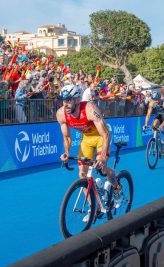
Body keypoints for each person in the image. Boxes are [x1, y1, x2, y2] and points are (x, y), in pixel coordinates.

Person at [56, 84, 121, 222]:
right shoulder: (61, 114)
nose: (65, 103)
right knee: (82, 175)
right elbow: (67, 137)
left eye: (69, 100)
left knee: (102, 169)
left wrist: (103, 156)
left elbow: (105, 135)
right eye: (64, 100)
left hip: (101, 137)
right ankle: (94, 208)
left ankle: (117, 188)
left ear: (78, 99)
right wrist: (67, 152)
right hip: (86, 139)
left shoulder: (90, 109)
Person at [142, 91, 164, 161]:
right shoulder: (152, 102)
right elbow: (148, 115)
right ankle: (157, 140)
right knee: (153, 125)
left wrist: (162, 125)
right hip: (159, 115)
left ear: (160, 98)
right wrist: (146, 124)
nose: (156, 101)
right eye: (154, 100)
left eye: (157, 100)